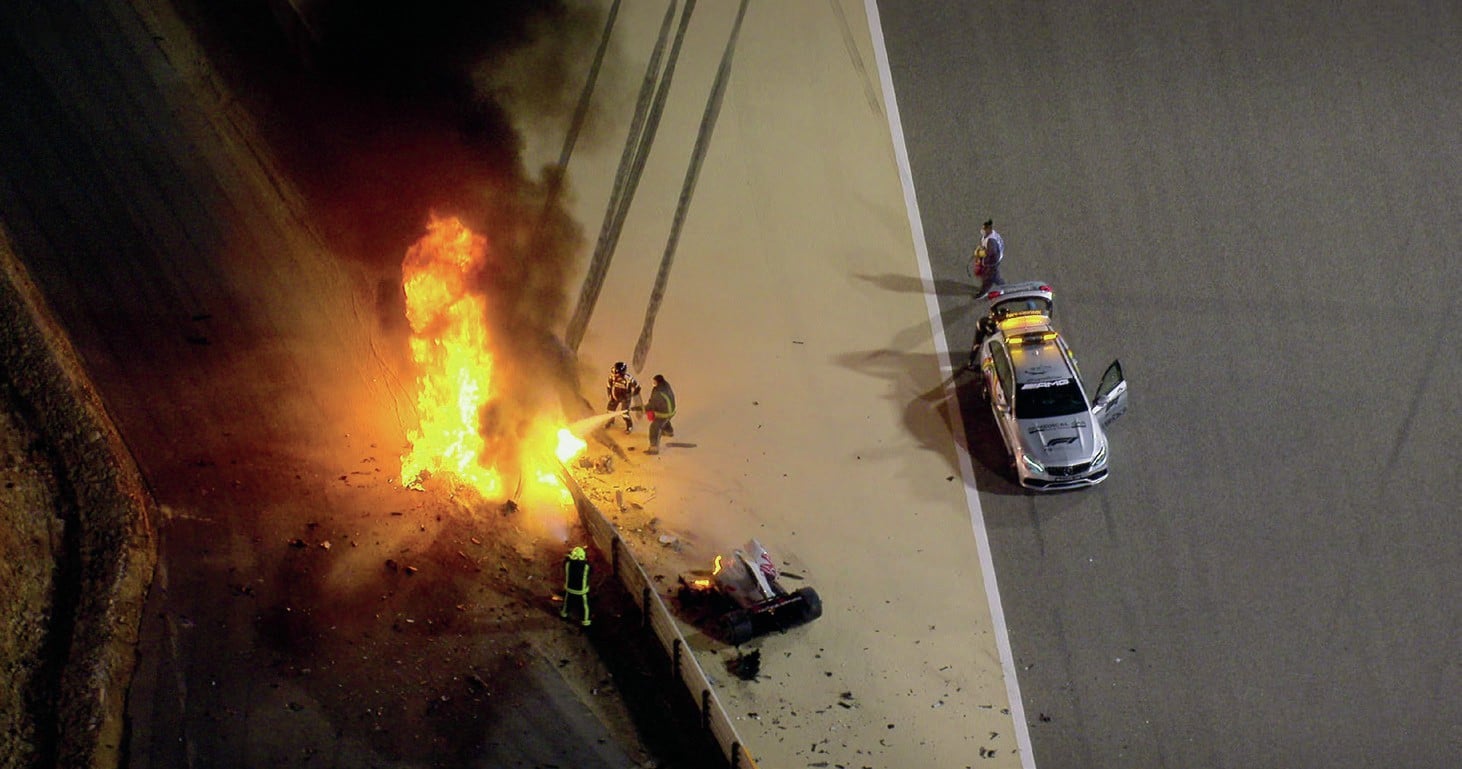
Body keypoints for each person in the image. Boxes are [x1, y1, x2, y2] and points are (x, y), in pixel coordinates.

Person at [971, 219, 1006, 296]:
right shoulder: (991, 235)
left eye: (984, 229)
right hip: (994, 260)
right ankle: (1004, 287)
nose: (982, 230)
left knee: (989, 279)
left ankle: (982, 293)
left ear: (989, 229)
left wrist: (981, 253)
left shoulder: (991, 241)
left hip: (992, 262)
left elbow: (991, 251)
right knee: (995, 276)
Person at [644, 374, 676, 455]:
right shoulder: (665, 385)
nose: (653, 383)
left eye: (654, 382)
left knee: (654, 427)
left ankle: (654, 448)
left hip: (664, 413)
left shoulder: (658, 392)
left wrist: (643, 408)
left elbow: (652, 405)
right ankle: (669, 431)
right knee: (665, 421)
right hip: (671, 411)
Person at [605, 361, 641, 433]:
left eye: (618, 374)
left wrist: (632, 395)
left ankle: (629, 426)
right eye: (615, 373)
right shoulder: (612, 376)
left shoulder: (629, 379)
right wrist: (610, 395)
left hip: (626, 398)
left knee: (624, 413)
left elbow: (638, 387)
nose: (616, 376)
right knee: (610, 410)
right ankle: (611, 421)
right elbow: (608, 386)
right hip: (615, 396)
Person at [560, 545, 591, 627]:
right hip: (582, 592)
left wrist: (569, 556)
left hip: (569, 590)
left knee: (567, 603)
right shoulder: (587, 566)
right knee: (585, 606)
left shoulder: (568, 564)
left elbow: (566, 561)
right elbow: (590, 571)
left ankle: (563, 615)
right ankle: (586, 622)